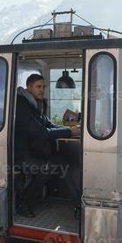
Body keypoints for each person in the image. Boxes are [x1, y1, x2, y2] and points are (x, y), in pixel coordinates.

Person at [14, 74, 79, 218]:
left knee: (63, 161)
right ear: (29, 87)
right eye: (38, 86)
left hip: (34, 152)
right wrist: (69, 131)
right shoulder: (21, 105)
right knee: (48, 167)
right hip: (20, 155)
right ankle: (23, 203)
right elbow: (41, 132)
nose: (42, 90)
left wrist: (72, 130)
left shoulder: (36, 103)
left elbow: (47, 124)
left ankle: (78, 203)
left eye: (43, 87)